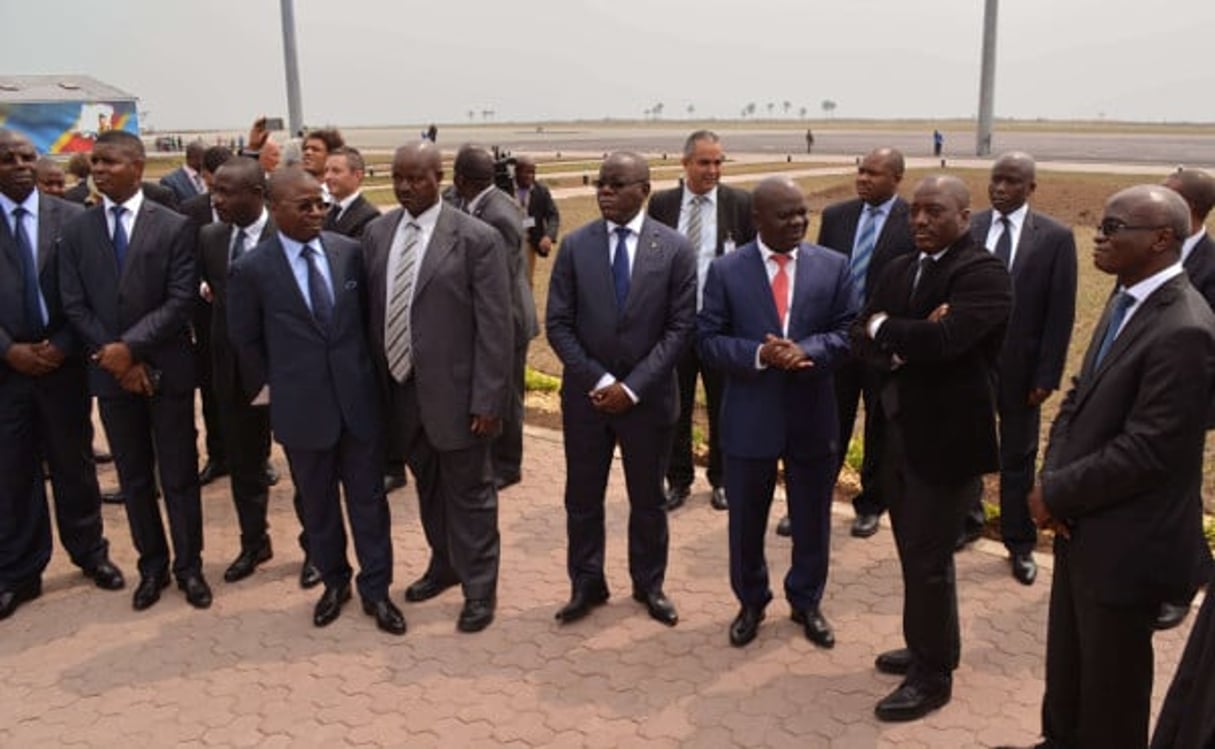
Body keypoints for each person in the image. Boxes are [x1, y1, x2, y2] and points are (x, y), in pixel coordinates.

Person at [1022, 185, 1215, 749]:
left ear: (1160, 240)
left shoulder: (1185, 329)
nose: (1099, 238)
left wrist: (1057, 493)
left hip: (1127, 543)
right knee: (1070, 669)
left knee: (1112, 693)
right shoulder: (1124, 295)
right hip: (1080, 521)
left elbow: (1149, 450)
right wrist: (1051, 482)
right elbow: (1079, 396)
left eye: (1112, 228)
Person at [852, 175, 1011, 721]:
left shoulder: (983, 274)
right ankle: (933, 646)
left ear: (965, 217)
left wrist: (888, 330)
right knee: (915, 556)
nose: (919, 220)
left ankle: (932, 676)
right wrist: (898, 333)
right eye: (915, 211)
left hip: (946, 444)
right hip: (898, 436)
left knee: (928, 560)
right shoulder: (900, 267)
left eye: (934, 212)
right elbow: (860, 336)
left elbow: (948, 341)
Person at [226, 167, 403, 635]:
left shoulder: (349, 254)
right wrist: (276, 392)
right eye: (304, 205)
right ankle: (334, 582)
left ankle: (377, 590)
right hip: (301, 412)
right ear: (274, 205)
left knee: (369, 503)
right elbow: (244, 342)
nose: (317, 212)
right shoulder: (251, 269)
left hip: (357, 407)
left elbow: (368, 327)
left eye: (321, 203)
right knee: (319, 507)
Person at [698, 176, 857, 648]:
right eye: (786, 215)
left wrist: (805, 349)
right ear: (757, 219)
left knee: (812, 518)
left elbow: (849, 333)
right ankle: (751, 601)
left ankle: (806, 600)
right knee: (746, 519)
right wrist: (759, 355)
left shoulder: (834, 266)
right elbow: (707, 340)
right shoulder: (727, 271)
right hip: (750, 416)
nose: (798, 222)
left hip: (812, 415)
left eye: (802, 213)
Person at [362, 142, 511, 633]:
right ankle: (444, 565)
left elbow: (495, 329)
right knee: (429, 488)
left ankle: (479, 588)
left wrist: (489, 399)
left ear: (439, 177)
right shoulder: (377, 233)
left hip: (461, 398)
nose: (404, 187)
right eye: (397, 177)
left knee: (471, 495)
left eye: (416, 178)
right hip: (403, 393)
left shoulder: (475, 238)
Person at [58, 130, 210, 612]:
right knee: (135, 475)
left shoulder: (173, 225)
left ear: (138, 167)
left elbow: (182, 298)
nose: (98, 169)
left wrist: (132, 347)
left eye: (109, 161)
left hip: (168, 369)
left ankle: (190, 567)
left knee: (179, 473)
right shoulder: (78, 229)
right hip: (110, 373)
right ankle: (153, 566)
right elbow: (73, 302)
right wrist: (115, 356)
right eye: (94, 162)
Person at [546, 151, 697, 627]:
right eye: (600, 185)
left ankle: (648, 584)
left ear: (645, 191)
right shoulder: (575, 246)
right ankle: (586, 583)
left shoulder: (673, 249)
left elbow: (679, 329)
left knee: (648, 499)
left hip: (647, 402)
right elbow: (558, 324)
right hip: (588, 399)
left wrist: (631, 389)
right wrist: (602, 380)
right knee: (582, 498)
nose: (605, 192)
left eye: (617, 184)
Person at [0, 130, 125, 621]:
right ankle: (19, 572)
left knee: (73, 465)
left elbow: (91, 294)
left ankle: (90, 552)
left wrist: (64, 344)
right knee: (12, 473)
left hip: (63, 366)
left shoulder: (73, 219)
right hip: (7, 372)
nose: (18, 164)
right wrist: (9, 350)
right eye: (6, 158)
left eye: (26, 156)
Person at [957, 152, 1076, 585]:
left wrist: (1047, 375)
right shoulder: (971, 227)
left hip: (1022, 373)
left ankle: (1019, 542)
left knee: (1017, 458)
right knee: (968, 447)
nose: (1000, 188)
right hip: (970, 364)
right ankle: (968, 522)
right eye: (995, 180)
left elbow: (1060, 313)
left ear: (1031, 188)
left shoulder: (1055, 238)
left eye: (1010, 182)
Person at [198, 158, 307, 584]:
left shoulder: (290, 234)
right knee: (245, 468)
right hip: (234, 377)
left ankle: (316, 547)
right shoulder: (209, 238)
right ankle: (254, 543)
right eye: (215, 190)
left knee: (304, 469)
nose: (216, 198)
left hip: (288, 375)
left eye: (227, 192)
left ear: (257, 195)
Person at [647, 130, 755, 512]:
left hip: (720, 327)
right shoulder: (661, 204)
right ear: (685, 163)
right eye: (705, 162)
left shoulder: (740, 204)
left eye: (718, 162)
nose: (713, 170)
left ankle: (722, 479)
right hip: (674, 326)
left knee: (723, 404)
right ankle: (678, 479)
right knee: (675, 407)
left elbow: (751, 265)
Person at [811, 147, 915, 540]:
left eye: (874, 173)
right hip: (837, 339)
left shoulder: (911, 221)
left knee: (880, 427)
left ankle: (871, 505)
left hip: (882, 343)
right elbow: (820, 274)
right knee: (827, 423)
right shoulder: (837, 216)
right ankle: (814, 501)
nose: (863, 178)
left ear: (896, 179)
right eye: (861, 171)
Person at [450, 145, 538, 491]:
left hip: (509, 320)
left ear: (460, 179)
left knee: (508, 396)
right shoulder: (478, 204)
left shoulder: (498, 214)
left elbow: (496, 279)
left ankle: (507, 465)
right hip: (495, 318)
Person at [1156, 167, 1215, 631]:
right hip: (1145, 394)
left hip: (1187, 401)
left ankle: (1182, 583)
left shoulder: (1210, 266)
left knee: (1179, 494)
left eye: (1164, 195)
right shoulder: (1153, 252)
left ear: (1189, 212)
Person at [514, 156, 560, 288]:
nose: (530, 176)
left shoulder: (541, 191)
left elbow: (553, 215)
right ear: (516, 172)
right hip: (507, 241)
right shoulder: (505, 189)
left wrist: (548, 236)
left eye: (533, 172)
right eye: (526, 172)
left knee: (526, 282)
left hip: (528, 242)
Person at [322, 147, 380, 239]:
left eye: (336, 171)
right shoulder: (325, 212)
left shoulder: (370, 218)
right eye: (326, 171)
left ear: (357, 175)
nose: (327, 177)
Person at [159, 140, 207, 205]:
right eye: (206, 158)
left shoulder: (210, 177)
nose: (209, 161)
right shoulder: (170, 181)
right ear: (193, 158)